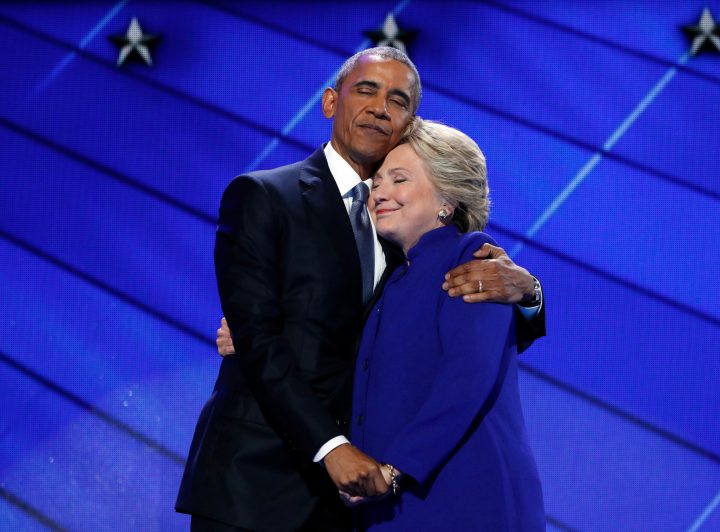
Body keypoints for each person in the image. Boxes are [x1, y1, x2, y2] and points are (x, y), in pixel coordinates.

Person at [176, 47, 544, 531]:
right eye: (366, 89)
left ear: (409, 123)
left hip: (360, 497)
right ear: (330, 102)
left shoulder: (410, 232)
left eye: (398, 100)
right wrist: (332, 447)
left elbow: (464, 338)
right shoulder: (264, 196)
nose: (379, 107)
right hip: (257, 483)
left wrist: (531, 292)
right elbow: (259, 336)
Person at [342, 118, 544, 530]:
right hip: (394, 504)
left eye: (399, 179)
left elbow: (467, 376)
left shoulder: (470, 257)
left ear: (446, 201)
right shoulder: (391, 279)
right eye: (377, 182)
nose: (380, 192)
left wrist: (395, 469)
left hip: (462, 499)